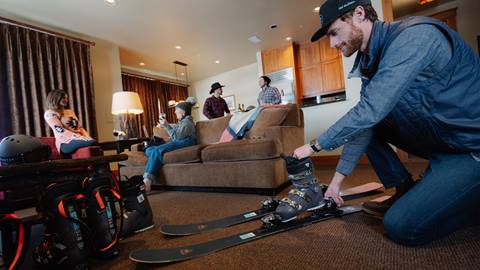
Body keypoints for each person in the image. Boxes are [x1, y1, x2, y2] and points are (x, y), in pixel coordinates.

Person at [292, 0, 480, 246]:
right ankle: (405, 189)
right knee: (364, 125)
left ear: (359, 14)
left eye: (334, 33)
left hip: (471, 150)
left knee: (402, 226)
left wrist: (314, 146)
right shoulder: (371, 60)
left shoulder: (416, 36)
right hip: (443, 146)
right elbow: (364, 123)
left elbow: (370, 110)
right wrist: (336, 185)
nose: (333, 44)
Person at [143, 97, 197, 191]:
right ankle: (157, 157)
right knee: (149, 150)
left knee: (157, 150)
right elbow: (175, 127)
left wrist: (167, 125)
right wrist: (164, 125)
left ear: (183, 112)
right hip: (179, 141)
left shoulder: (187, 123)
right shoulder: (183, 122)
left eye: (177, 111)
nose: (175, 112)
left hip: (186, 142)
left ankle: (147, 180)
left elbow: (177, 137)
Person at [44, 89, 96, 155]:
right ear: (55, 98)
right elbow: (60, 130)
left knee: (93, 142)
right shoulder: (50, 113)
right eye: (63, 98)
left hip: (79, 138)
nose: (66, 100)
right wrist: (79, 137)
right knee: (91, 143)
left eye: (66, 98)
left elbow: (80, 128)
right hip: (65, 142)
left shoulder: (70, 112)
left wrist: (87, 136)